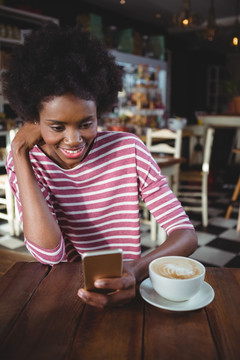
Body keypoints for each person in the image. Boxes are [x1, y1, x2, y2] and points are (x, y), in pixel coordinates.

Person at [2, 23, 197, 308]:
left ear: (100, 110)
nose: (73, 139)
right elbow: (49, 255)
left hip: (127, 288)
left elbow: (186, 234)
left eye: (86, 123)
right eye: (57, 126)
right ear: (34, 118)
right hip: (65, 295)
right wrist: (19, 152)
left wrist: (137, 270)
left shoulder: (129, 150)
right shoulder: (27, 162)